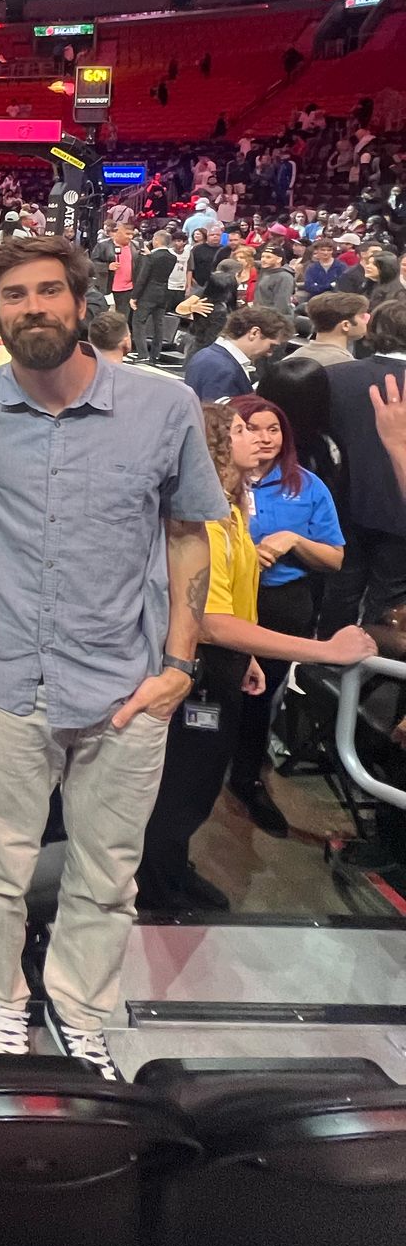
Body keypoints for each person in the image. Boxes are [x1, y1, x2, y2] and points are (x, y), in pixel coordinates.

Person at [0, 236, 228, 1080]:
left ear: (79, 301)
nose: (32, 308)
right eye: (15, 297)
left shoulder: (163, 406)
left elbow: (186, 535)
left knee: (108, 874)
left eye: (47, 293)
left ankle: (77, 1006)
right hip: (6, 680)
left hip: (127, 687)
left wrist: (179, 664)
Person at [137, 403, 371, 912]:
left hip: (223, 665)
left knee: (199, 785)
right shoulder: (204, 522)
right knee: (182, 787)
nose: (258, 438)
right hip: (193, 670)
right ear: (215, 444)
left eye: (265, 428)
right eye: (242, 429)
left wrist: (247, 659)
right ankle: (156, 890)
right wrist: (323, 649)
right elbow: (209, 620)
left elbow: (235, 603)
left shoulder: (232, 509)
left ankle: (171, 867)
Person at [224, 391, 345, 837]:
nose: (264, 438)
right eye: (251, 428)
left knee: (260, 696)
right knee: (216, 692)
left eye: (273, 429)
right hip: (223, 604)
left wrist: (294, 538)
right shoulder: (217, 481)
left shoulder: (307, 486)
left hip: (280, 604)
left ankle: (246, 778)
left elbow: (334, 559)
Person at [321, 300, 406, 631]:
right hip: (399, 515)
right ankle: (374, 677)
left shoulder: (334, 377)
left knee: (339, 591)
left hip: (343, 505)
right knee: (389, 602)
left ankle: (324, 670)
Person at [183, 305, 290, 402]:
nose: (270, 353)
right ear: (254, 333)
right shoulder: (223, 369)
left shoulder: (207, 355)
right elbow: (219, 419)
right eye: (271, 345)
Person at [131, 229, 178, 365]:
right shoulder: (172, 257)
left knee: (138, 322)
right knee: (159, 324)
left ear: (156, 240)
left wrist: (134, 297)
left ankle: (143, 354)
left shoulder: (151, 257)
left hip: (148, 293)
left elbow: (143, 278)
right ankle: (155, 355)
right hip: (163, 293)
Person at [291, 290, 369, 366]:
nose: (367, 320)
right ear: (345, 325)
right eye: (362, 316)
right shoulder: (346, 366)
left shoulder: (292, 358)